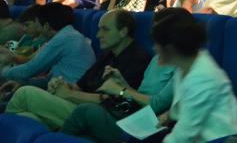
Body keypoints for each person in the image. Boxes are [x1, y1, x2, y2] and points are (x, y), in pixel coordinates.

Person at [5, 9, 150, 130]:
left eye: (105, 29)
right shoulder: (108, 54)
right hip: (78, 105)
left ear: (123, 31)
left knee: (24, 93)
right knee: (26, 117)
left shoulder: (138, 59)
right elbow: (80, 85)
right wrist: (61, 85)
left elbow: (114, 102)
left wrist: (69, 94)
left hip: (94, 115)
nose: (98, 35)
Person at [60, 9, 178, 143]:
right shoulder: (156, 58)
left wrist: (120, 90)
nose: (154, 38)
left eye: (160, 32)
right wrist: (121, 82)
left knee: (85, 111)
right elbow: (140, 94)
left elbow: (157, 105)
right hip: (132, 116)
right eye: (154, 32)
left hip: (145, 126)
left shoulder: (182, 66)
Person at [152, 9, 237, 143]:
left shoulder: (203, 77)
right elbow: (186, 102)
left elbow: (184, 135)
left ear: (170, 48)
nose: (154, 48)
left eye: (157, 44)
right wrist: (169, 115)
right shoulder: (186, 65)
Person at [1, 4, 95, 88]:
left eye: (38, 25)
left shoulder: (62, 39)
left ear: (46, 26)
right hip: (63, 90)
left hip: (70, 95)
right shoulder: (68, 35)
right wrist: (24, 84)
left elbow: (28, 71)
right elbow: (49, 79)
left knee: (21, 94)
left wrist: (3, 71)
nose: (38, 29)